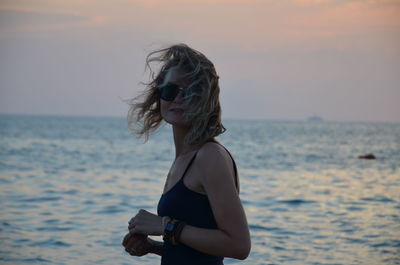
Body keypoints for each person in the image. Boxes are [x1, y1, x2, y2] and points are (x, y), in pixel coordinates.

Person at [122, 43, 251, 265]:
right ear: (160, 96)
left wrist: (164, 226)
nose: (178, 98)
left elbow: (239, 245)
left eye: (190, 91)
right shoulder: (185, 158)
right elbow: (199, 254)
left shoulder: (210, 156)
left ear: (205, 99)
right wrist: (155, 247)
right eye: (170, 90)